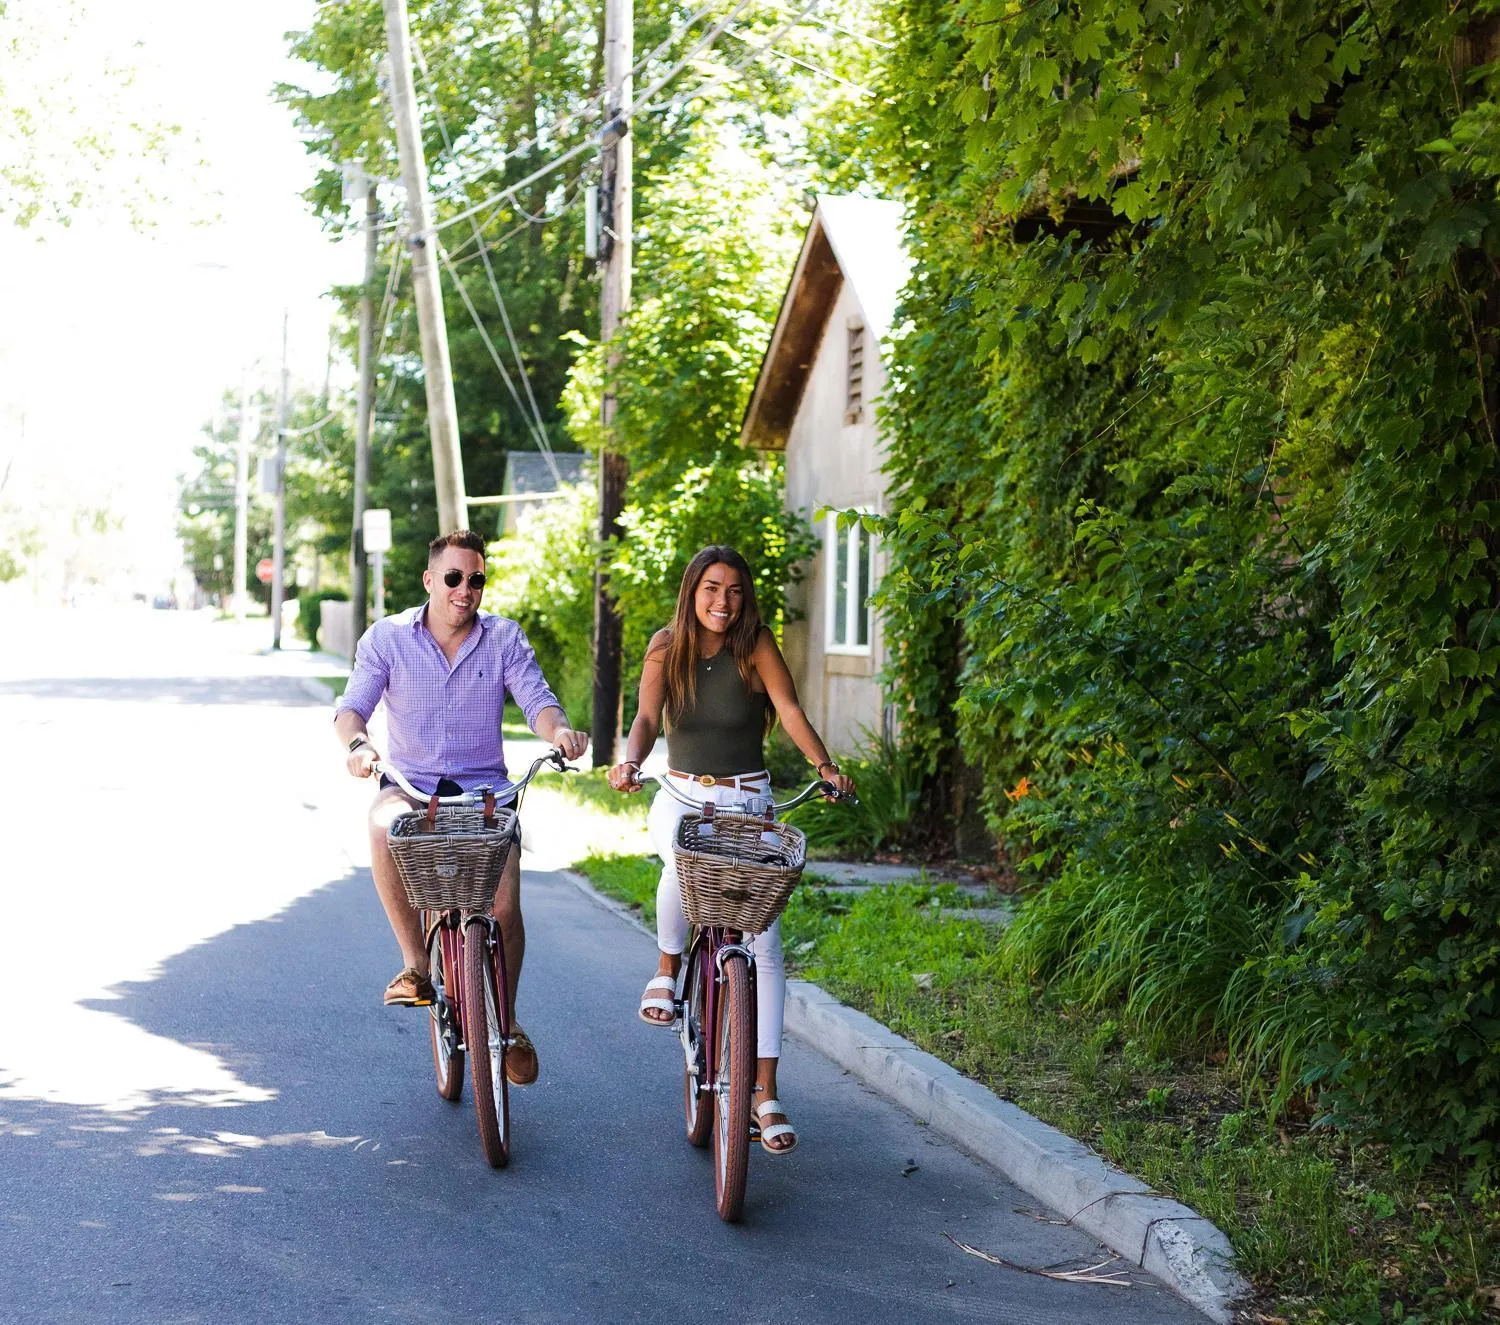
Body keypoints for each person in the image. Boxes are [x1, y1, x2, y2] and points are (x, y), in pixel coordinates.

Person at [607, 544, 855, 1154]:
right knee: (680, 859)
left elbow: (790, 710)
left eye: (735, 591)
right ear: (693, 591)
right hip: (684, 796)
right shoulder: (668, 646)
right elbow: (645, 717)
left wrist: (823, 766)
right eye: (712, 589)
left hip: (750, 802)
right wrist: (630, 761)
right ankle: (667, 974)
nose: (724, 602)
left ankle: (764, 1092)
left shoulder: (756, 645)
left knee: (765, 945)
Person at [334, 529, 588, 1087]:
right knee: (381, 824)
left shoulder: (503, 638)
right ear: (429, 580)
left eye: (476, 579)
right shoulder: (387, 639)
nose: (465, 589)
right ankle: (416, 966)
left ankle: (510, 1021)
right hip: (412, 784)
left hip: (485, 792)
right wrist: (359, 747)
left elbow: (538, 700)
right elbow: (352, 709)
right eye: (453, 578)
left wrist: (560, 731)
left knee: (502, 909)